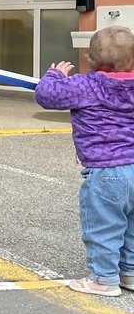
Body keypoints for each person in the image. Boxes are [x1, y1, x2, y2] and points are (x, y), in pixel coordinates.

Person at [34, 26, 134, 297]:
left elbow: (46, 95)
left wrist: (55, 74)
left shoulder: (85, 86)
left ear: (90, 58)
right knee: (132, 225)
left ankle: (103, 280)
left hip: (106, 171)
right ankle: (130, 272)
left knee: (104, 226)